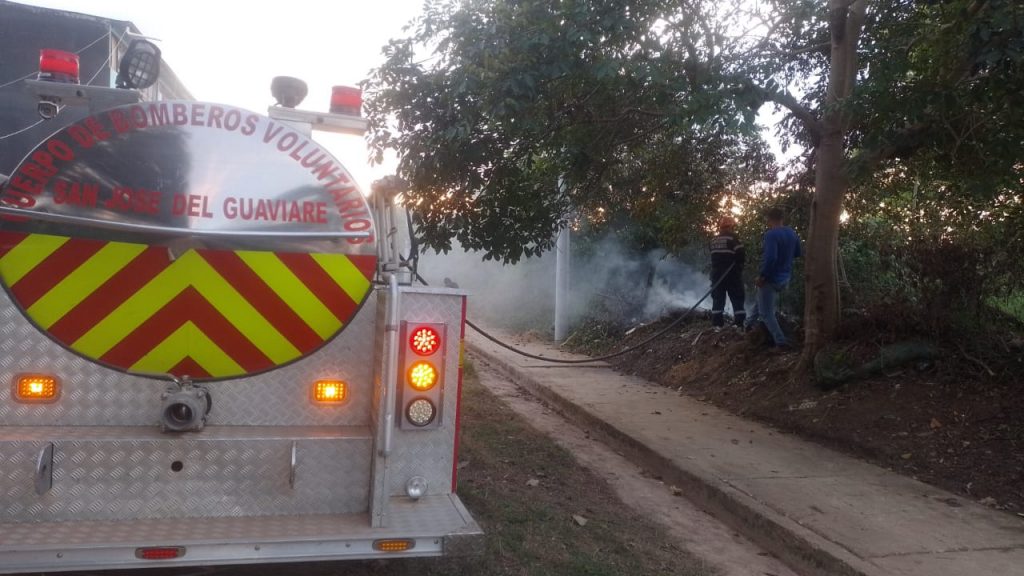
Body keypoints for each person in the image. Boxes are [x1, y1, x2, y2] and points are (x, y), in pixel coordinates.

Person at [746, 207, 801, 351]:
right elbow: (797, 253)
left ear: (769, 219)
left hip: (771, 278)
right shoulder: (792, 233)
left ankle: (781, 342)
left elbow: (771, 258)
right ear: (782, 218)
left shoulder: (771, 235)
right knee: (761, 301)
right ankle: (748, 325)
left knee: (766, 313)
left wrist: (763, 276)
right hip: (785, 277)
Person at [709, 216, 745, 329]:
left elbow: (714, 256)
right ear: (731, 226)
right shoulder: (733, 238)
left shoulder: (713, 240)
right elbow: (741, 256)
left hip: (716, 275)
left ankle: (717, 325)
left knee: (718, 298)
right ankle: (739, 324)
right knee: (737, 297)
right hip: (731, 275)